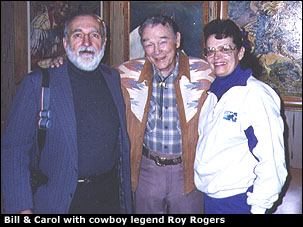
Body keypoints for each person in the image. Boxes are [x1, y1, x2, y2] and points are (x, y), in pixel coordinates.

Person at [1, 13, 131, 214]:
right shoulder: (37, 84)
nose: (86, 42)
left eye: (94, 35)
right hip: (59, 200)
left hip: (109, 197)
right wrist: (22, 209)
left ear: (104, 42)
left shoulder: (113, 77)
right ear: (65, 41)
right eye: (77, 35)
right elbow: (13, 150)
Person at [117, 14, 214, 214]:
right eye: (148, 44)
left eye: (163, 41)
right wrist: (59, 62)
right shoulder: (126, 74)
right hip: (146, 171)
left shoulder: (205, 73)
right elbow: (93, 73)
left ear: (177, 40)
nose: (157, 51)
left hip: (188, 171)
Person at [194, 19, 288, 214]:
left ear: (241, 52)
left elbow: (272, 162)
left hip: (239, 203)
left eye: (225, 49)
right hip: (211, 200)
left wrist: (258, 208)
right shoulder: (211, 94)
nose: (216, 56)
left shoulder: (256, 95)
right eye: (210, 50)